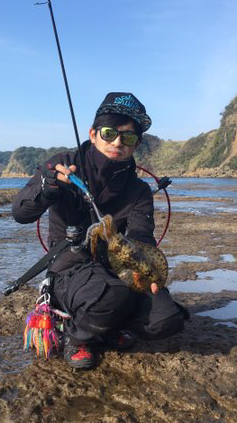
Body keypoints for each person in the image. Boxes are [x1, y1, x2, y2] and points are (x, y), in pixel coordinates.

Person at [12, 92, 189, 369]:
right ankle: (77, 336)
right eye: (109, 133)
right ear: (93, 134)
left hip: (117, 270)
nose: (117, 142)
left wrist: (147, 273)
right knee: (111, 297)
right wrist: (47, 189)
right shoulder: (62, 165)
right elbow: (20, 213)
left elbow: (142, 235)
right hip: (70, 269)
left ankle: (106, 323)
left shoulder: (139, 190)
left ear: (136, 144)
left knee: (167, 318)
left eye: (128, 137)